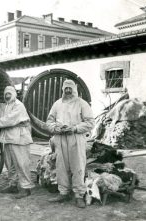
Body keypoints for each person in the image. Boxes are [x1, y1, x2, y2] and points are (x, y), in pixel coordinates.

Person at [46, 79, 94, 208]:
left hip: (76, 138)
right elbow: (49, 121)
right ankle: (63, 192)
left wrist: (74, 128)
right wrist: (55, 128)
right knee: (61, 166)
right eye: (65, 88)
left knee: (77, 166)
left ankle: (79, 195)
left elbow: (90, 122)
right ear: (63, 90)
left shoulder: (82, 104)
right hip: (60, 138)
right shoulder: (57, 104)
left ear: (74, 89)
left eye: (70, 88)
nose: (68, 91)